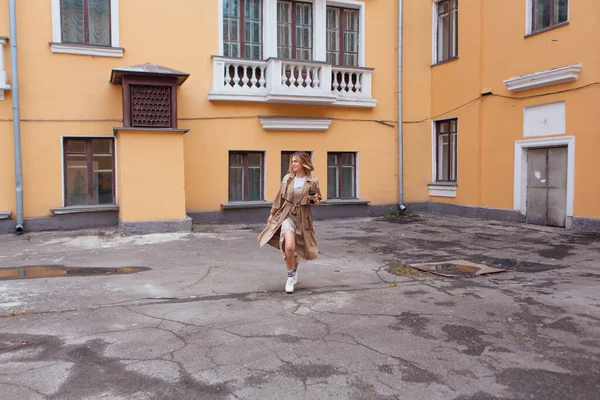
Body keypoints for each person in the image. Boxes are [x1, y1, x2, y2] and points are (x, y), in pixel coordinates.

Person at [258, 152, 322, 293]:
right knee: (290, 247)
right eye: (292, 161)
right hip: (287, 214)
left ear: (303, 163)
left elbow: (316, 202)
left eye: (295, 162)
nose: (292, 164)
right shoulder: (287, 178)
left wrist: (313, 198)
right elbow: (278, 198)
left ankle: (293, 270)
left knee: (298, 248)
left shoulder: (312, 181)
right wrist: (272, 214)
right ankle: (290, 277)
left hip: (303, 216)